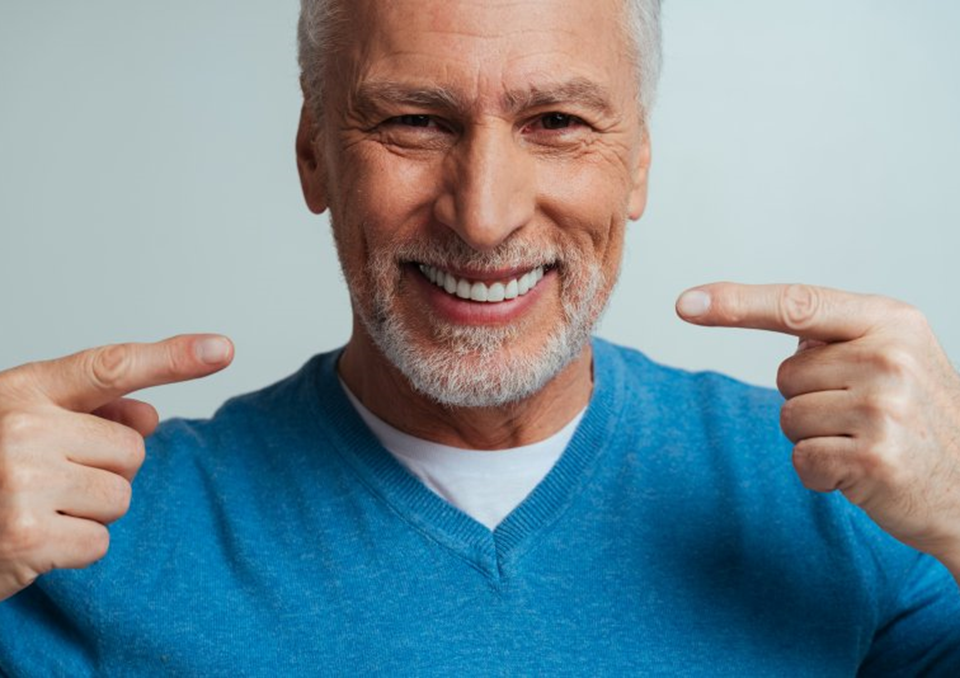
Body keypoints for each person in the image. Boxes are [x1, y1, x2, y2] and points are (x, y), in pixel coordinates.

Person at [1, 0, 959, 673]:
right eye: (416, 122)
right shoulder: (95, 535)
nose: (486, 216)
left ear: (636, 164)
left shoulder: (844, 496)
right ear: (314, 158)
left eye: (556, 120)